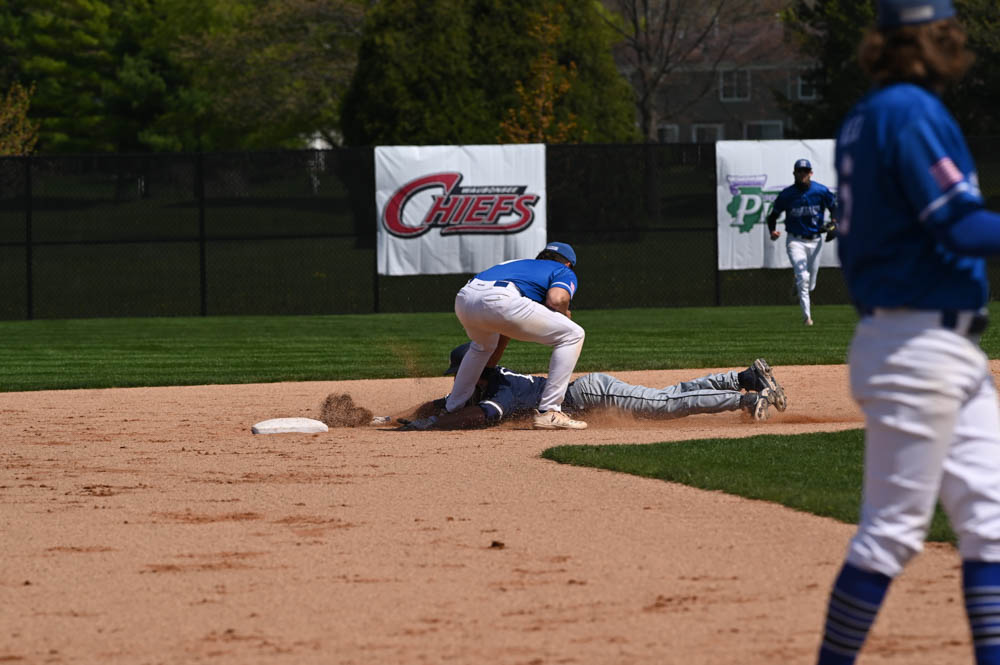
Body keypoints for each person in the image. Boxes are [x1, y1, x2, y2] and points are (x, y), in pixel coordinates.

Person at [816, 1, 1000, 664]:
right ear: (932, 38)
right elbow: (960, 225)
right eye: (949, 32)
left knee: (991, 524)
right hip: (917, 344)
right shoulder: (910, 112)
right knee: (891, 532)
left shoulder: (870, 114)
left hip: (939, 345)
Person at [394, 342, 787, 430]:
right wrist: (399, 418)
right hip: (589, 392)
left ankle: (746, 398)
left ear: (476, 370)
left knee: (667, 403)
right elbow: (446, 402)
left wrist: (430, 428)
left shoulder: (500, 389)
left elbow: (479, 416)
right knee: (670, 393)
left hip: (590, 394)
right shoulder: (483, 384)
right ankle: (744, 378)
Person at [445, 241, 586, 430]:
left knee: (482, 346)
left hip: (464, 299)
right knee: (573, 334)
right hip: (501, 300)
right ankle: (550, 411)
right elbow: (556, 299)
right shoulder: (563, 270)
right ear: (568, 263)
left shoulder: (517, 263)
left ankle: (452, 407)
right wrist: (564, 314)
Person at [766, 158, 839, 326]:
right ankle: (807, 318)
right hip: (795, 241)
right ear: (794, 173)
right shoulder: (787, 194)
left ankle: (798, 285)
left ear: (811, 173)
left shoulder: (820, 191)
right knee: (803, 276)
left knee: (810, 282)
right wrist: (772, 231)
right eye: (799, 171)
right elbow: (773, 216)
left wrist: (835, 221)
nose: (802, 174)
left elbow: (834, 207)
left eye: (806, 171)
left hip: (815, 241)